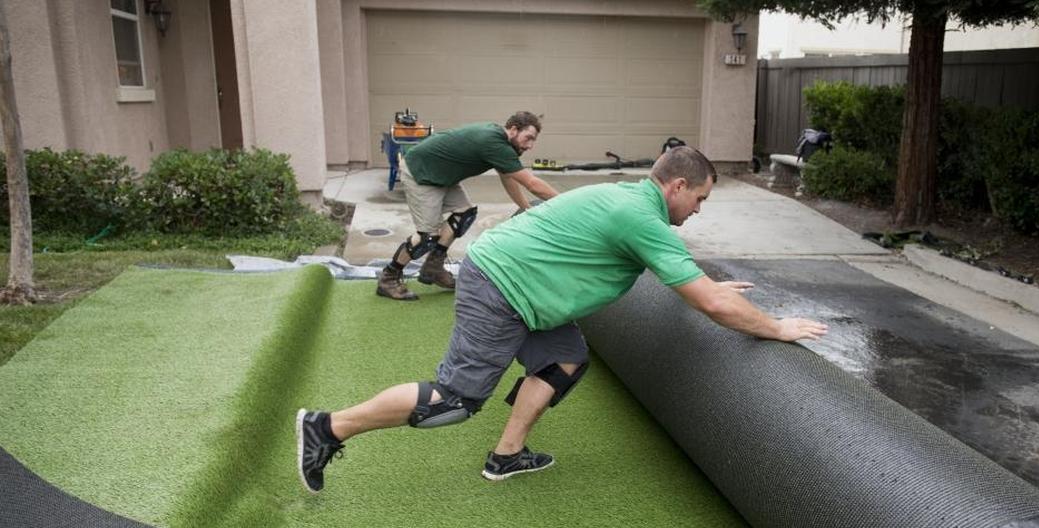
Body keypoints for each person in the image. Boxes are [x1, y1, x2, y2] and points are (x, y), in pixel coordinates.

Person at [297, 146, 828, 493]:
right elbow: (709, 305)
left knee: (566, 359)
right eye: (700, 198)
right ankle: (327, 428)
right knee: (455, 401)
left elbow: (664, 275)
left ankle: (507, 455)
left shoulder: (629, 199)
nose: (699, 210)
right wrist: (777, 328)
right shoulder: (642, 217)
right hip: (503, 285)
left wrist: (709, 285)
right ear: (676, 187)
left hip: (525, 286)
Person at [377, 111, 560, 300]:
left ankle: (433, 268)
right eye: (528, 138)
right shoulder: (494, 143)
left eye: (533, 140)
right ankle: (389, 277)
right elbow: (532, 183)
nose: (530, 145)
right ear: (514, 130)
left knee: (464, 214)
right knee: (427, 237)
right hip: (421, 172)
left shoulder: (499, 142)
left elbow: (508, 177)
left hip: (441, 174)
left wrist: (526, 207)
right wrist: (568, 201)